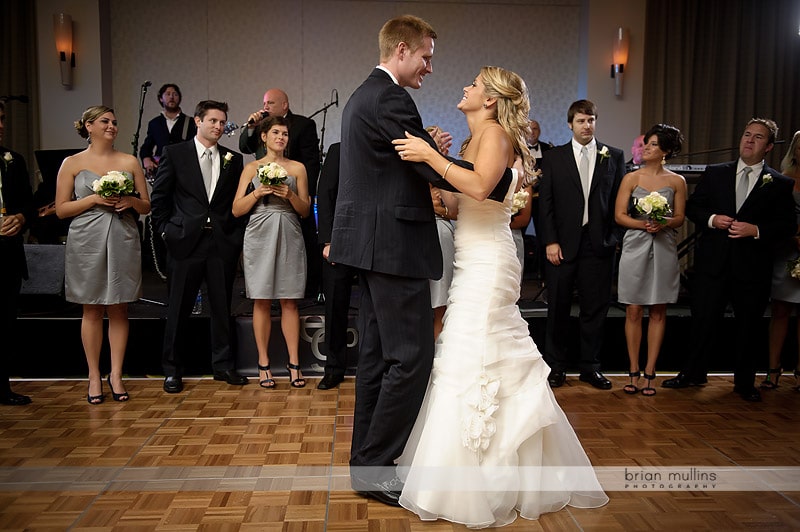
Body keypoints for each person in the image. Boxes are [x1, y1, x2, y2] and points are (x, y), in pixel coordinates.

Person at [393, 65, 608, 528]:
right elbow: (456, 204)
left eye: (474, 83)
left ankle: (488, 477)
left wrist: (431, 156)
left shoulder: (494, 135)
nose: (465, 86)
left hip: (490, 264)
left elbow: (480, 185)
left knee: (480, 354)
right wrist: (432, 177)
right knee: (467, 356)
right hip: (472, 258)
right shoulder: (473, 142)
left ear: (490, 100)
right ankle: (477, 470)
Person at [328, 15, 512, 507]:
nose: (430, 67)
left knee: (375, 359)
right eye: (427, 57)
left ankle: (366, 466)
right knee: (411, 359)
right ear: (403, 49)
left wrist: (433, 151)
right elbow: (424, 165)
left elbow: (404, 160)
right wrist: (492, 183)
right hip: (393, 246)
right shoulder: (391, 97)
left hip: (371, 246)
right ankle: (378, 465)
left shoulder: (366, 94)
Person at [663, 118, 796, 402]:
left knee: (748, 326)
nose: (749, 140)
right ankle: (693, 373)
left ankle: (745, 383)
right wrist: (712, 219)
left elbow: (786, 225)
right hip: (713, 263)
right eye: (747, 134)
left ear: (769, 146)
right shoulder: (716, 173)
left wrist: (756, 230)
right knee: (702, 321)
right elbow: (694, 208)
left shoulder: (780, 183)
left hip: (752, 267)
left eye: (758, 137)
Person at [150, 100, 248, 394]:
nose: (218, 126)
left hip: (220, 242)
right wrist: (166, 231)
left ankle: (223, 365)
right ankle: (172, 369)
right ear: (197, 121)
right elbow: (160, 199)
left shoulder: (233, 158)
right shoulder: (175, 153)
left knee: (221, 306)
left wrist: (234, 235)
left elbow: (234, 203)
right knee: (178, 307)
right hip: (185, 241)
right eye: (213, 121)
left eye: (222, 122)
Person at [55, 105, 151, 404]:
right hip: (86, 238)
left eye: (114, 122)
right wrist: (95, 198)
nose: (112, 126)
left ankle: (117, 374)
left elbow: (146, 205)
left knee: (120, 306)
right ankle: (94, 375)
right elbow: (61, 209)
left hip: (122, 234)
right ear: (88, 126)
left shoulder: (129, 160)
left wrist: (129, 200)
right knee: (92, 308)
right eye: (105, 121)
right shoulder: (71, 163)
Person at [538, 99, 625, 389]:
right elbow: (545, 204)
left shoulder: (613, 156)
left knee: (595, 309)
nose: (586, 126)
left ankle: (591, 367)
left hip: (599, 245)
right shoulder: (554, 157)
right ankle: (556, 367)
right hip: (561, 245)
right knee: (558, 308)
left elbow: (618, 202)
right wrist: (550, 241)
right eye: (580, 121)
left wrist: (613, 239)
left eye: (591, 120)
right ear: (570, 124)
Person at [232, 116, 310, 389]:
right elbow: (236, 209)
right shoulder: (251, 168)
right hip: (259, 230)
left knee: (290, 300)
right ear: (263, 137)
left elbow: (304, 211)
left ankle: (294, 364)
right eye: (275, 132)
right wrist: (258, 192)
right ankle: (263, 364)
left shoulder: (298, 168)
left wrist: (289, 195)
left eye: (285, 133)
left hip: (289, 228)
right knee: (261, 299)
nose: (281, 137)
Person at [614, 124, 686, 396]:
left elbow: (679, 217)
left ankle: (650, 373)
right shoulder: (630, 179)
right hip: (635, 244)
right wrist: (642, 224)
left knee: (658, 309)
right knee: (633, 309)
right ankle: (632, 371)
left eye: (653, 144)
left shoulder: (676, 181)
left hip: (664, 246)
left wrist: (663, 222)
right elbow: (619, 215)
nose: (646, 148)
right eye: (646, 143)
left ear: (665, 150)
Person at [240, 88, 321, 299]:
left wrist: (303, 194)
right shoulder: (260, 127)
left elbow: (311, 162)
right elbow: (244, 146)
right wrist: (251, 127)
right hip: (262, 206)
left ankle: (306, 291)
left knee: (298, 250)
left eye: (270, 104)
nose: (265, 107)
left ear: (284, 105)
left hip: (293, 192)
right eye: (264, 103)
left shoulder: (303, 124)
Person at [0, 101, 36, 406]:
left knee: (6, 324)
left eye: (1, 119)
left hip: (8, 256)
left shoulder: (14, 160)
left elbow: (29, 205)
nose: (0, 125)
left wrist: (21, 218)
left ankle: (3, 388)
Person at [761, 130, 800, 391]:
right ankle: (773, 369)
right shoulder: (783, 179)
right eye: (799, 147)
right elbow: (774, 217)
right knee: (780, 311)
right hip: (787, 250)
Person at [316, 142, 355, 390]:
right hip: (339, 240)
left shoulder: (385, 148)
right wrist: (328, 240)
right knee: (335, 306)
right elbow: (325, 193)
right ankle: (333, 368)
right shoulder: (339, 150)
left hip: (375, 242)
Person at [139, 83, 197, 179]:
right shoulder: (155, 123)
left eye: (175, 94)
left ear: (179, 98)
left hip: (184, 170)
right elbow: (146, 147)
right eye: (168, 94)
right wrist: (147, 160)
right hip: (161, 170)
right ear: (161, 98)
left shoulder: (190, 122)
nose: (171, 97)